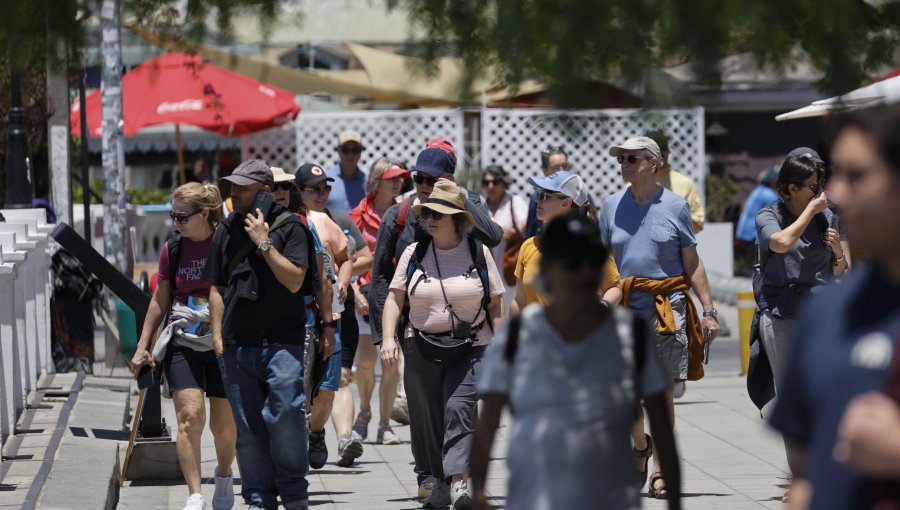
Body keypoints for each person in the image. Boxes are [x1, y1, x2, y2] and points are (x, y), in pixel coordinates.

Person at [472, 215, 682, 510]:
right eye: (569, 264)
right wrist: (478, 492)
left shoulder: (628, 334)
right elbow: (488, 422)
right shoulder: (520, 335)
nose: (578, 274)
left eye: (587, 264)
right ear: (547, 271)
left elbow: (660, 424)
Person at [769, 108, 900, 510]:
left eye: (856, 176)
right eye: (835, 176)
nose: (837, 193)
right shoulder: (826, 311)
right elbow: (805, 476)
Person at [369, 140, 503, 503]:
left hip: (467, 336)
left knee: (458, 406)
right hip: (415, 331)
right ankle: (429, 476)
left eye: (433, 179)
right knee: (424, 412)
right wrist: (385, 335)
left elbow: (493, 236)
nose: (424, 185)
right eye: (419, 178)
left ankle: (456, 476)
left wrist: (458, 198)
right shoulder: (400, 215)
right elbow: (382, 279)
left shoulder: (465, 207)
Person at [599, 136, 720, 499]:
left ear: (654, 163)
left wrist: (709, 310)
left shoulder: (676, 206)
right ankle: (641, 446)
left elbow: (691, 262)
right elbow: (602, 261)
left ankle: (661, 470)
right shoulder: (610, 206)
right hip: (624, 310)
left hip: (668, 307)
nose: (624, 164)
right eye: (621, 159)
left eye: (632, 158)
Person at [203, 159, 313, 510]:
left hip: (283, 339)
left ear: (264, 192)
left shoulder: (291, 227)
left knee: (286, 413)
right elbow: (217, 288)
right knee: (248, 427)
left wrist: (264, 243)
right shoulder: (225, 229)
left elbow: (295, 281)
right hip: (237, 341)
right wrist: (217, 336)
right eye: (232, 186)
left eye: (242, 188)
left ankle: (294, 493)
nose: (233, 193)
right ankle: (259, 498)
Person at [131, 182, 236, 510]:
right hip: (183, 340)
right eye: (172, 216)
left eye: (181, 217)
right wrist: (143, 345)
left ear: (204, 214)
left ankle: (224, 474)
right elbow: (160, 298)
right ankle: (194, 494)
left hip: (222, 342)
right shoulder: (173, 248)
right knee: (190, 416)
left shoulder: (226, 243)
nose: (175, 223)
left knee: (223, 425)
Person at [292, 162, 362, 469]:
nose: (322, 194)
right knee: (297, 387)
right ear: (299, 192)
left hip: (330, 316)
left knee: (328, 390)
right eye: (315, 189)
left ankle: (317, 431)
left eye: (326, 188)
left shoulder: (324, 221)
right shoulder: (286, 223)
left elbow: (346, 259)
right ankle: (295, 446)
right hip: (298, 319)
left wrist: (343, 282)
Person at [349, 158, 410, 445]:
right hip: (364, 294)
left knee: (391, 362)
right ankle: (364, 412)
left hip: (394, 295)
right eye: (391, 178)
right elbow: (345, 260)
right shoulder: (357, 215)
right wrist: (355, 291)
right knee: (365, 363)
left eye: (400, 178)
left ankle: (385, 423)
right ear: (377, 181)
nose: (398, 183)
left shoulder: (406, 213)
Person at [512, 170, 622, 314]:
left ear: (566, 202)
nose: (537, 200)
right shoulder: (528, 246)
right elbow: (519, 301)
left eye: (544, 195)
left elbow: (613, 288)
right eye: (538, 194)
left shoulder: (591, 248)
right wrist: (513, 327)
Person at [481, 165, 528, 310]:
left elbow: (524, 225)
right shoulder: (481, 205)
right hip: (486, 273)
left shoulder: (515, 201)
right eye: (486, 182)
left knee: (511, 310)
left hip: (510, 270)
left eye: (495, 182)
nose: (490, 186)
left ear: (504, 183)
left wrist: (514, 232)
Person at [646, 131, 706, 233]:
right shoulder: (633, 186)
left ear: (668, 152)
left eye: (661, 152)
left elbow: (698, 226)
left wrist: (674, 211)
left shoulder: (685, 184)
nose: (658, 157)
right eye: (652, 153)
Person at [735, 166, 779, 275]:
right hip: (753, 232)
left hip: (743, 231)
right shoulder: (768, 194)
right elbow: (779, 210)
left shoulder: (757, 191)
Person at [524, 145, 569, 238]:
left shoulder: (581, 196)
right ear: (544, 170)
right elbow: (531, 233)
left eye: (565, 166)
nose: (562, 171)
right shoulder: (536, 198)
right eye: (556, 168)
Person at [326, 129, 367, 214]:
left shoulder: (368, 181)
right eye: (345, 150)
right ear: (339, 151)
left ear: (360, 151)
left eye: (355, 150)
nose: (350, 155)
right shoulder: (326, 179)